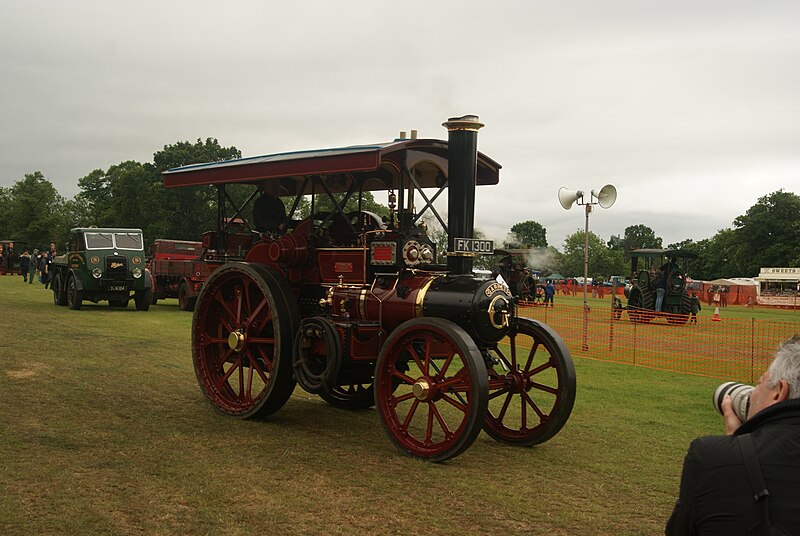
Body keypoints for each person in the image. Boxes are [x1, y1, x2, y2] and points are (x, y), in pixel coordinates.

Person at [666, 334, 800, 535]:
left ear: (779, 391)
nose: (752, 391)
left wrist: (735, 448)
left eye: (760, 382)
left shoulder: (708, 456)